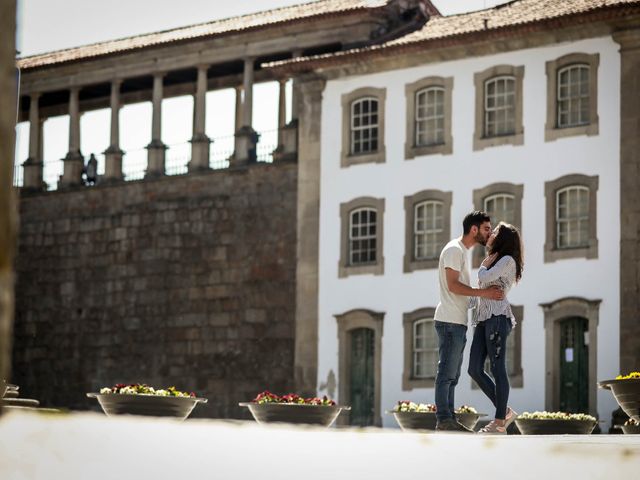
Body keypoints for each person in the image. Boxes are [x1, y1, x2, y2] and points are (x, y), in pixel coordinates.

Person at [434, 211, 504, 432]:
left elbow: (461, 291)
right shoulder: (455, 250)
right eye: (486, 229)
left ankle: (448, 420)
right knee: (446, 373)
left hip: (456, 321)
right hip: (449, 321)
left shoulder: (461, 251)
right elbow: (453, 286)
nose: (489, 233)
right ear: (474, 229)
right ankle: (444, 419)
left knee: (452, 375)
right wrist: (485, 294)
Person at [468, 222, 524, 435]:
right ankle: (506, 410)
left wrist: (484, 265)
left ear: (503, 239)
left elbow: (484, 278)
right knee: (474, 368)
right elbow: (481, 291)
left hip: (498, 318)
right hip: (483, 320)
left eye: (495, 232)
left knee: (497, 367)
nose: (490, 234)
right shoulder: (491, 260)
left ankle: (499, 422)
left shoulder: (507, 260)